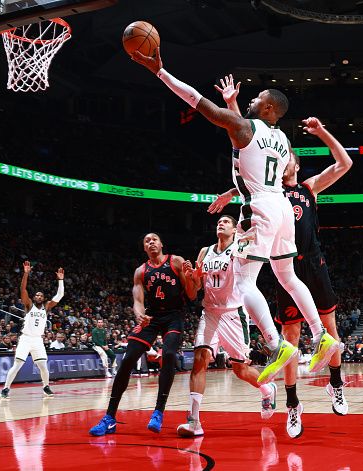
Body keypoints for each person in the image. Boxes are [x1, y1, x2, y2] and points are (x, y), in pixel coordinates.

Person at [131, 51, 339, 387]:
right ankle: (321, 336)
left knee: (242, 284)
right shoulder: (283, 139)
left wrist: (160, 72)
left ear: (269, 107)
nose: (253, 99)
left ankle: (278, 346)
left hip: (258, 207)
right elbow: (248, 142)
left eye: (259, 98)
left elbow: (200, 103)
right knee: (287, 276)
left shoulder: (245, 127)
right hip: (282, 208)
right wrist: (233, 104)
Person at [209, 75, 353, 436]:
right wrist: (230, 193)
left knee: (329, 329)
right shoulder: (270, 190)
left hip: (312, 264)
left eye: (290, 158)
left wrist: (321, 133)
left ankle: (336, 381)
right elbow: (249, 158)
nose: (285, 159)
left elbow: (344, 164)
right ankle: (293, 404)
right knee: (290, 335)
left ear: (295, 165)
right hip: (280, 265)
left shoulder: (308, 187)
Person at [177, 215, 278, 437]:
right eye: (219, 222)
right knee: (199, 359)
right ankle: (194, 421)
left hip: (233, 314)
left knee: (240, 369)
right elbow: (193, 293)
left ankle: (267, 389)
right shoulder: (205, 252)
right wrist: (190, 278)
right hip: (210, 313)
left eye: (226, 222)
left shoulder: (239, 248)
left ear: (234, 229)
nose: (220, 224)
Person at [89, 233, 196, 436]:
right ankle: (110, 417)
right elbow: (138, 300)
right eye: (147, 241)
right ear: (144, 248)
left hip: (174, 315)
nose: (151, 242)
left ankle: (158, 411)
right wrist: (139, 313)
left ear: (162, 243)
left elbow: (191, 295)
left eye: (154, 239)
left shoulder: (176, 261)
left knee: (170, 355)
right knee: (128, 358)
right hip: (152, 316)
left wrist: (191, 278)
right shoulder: (141, 271)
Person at [0, 261, 64, 399]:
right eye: (37, 295)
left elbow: (59, 295)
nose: (39, 297)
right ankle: (5, 388)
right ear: (34, 297)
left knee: (43, 365)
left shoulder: (47, 306)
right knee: (17, 365)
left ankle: (46, 387)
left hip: (37, 340)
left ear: (44, 298)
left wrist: (60, 280)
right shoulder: (29, 305)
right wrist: (26, 273)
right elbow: (23, 290)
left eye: (41, 295)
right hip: (26, 338)